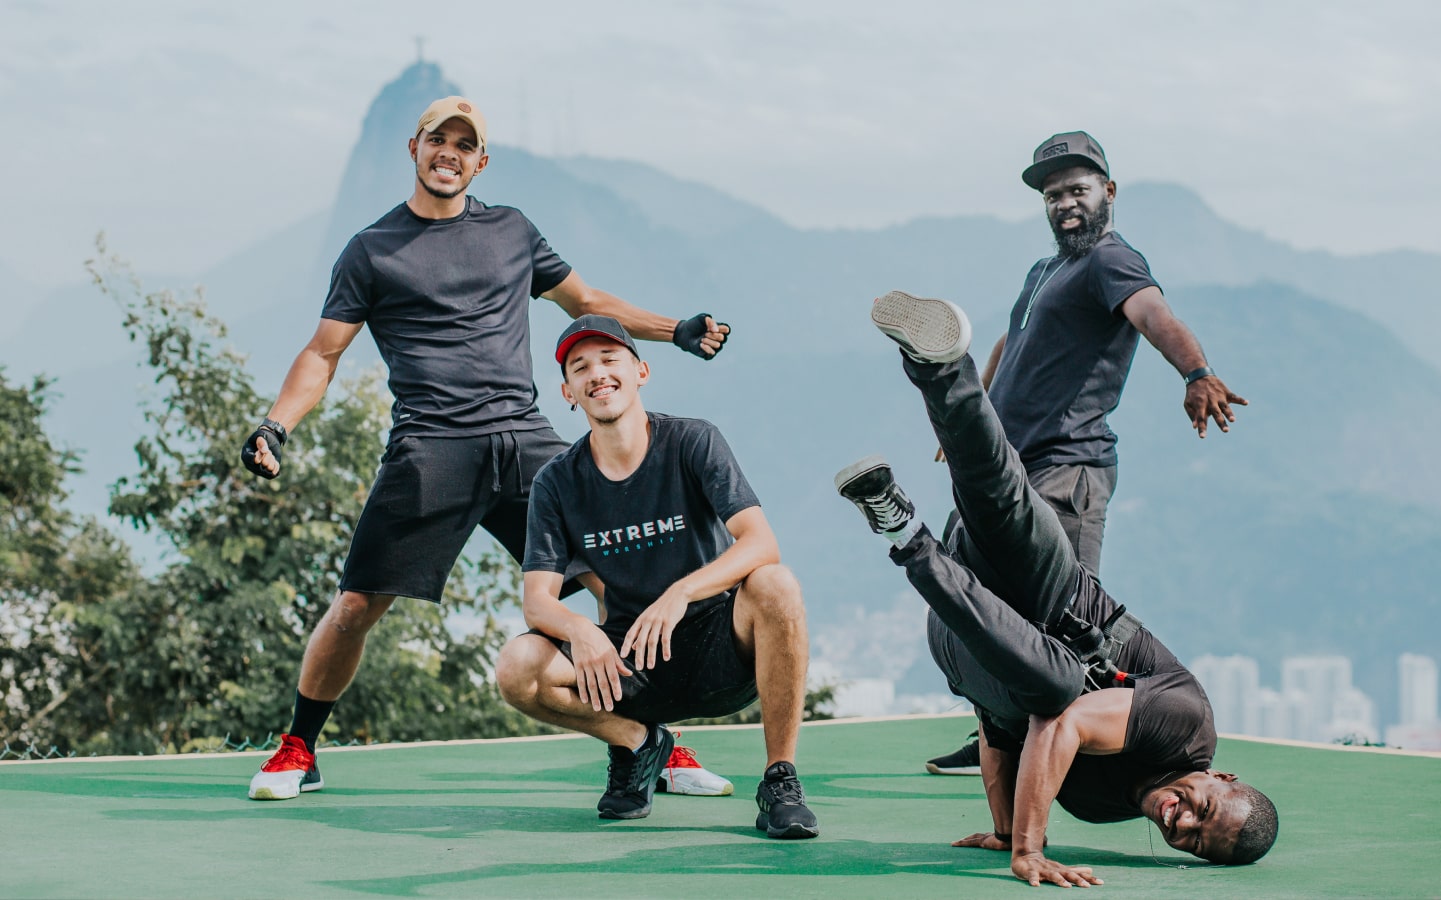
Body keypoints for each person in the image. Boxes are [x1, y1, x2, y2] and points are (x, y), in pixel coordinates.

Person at [242, 96, 732, 801]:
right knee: (354, 607)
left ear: (481, 162)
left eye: (464, 144)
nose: (449, 151)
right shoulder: (371, 250)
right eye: (437, 138)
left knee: (611, 582)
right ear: (414, 148)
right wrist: (275, 426)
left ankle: (657, 740)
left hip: (526, 442)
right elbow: (323, 353)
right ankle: (299, 749)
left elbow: (585, 300)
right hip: (430, 447)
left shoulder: (512, 230)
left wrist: (673, 329)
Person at [839, 291, 1277, 886]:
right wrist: (1026, 849)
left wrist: (1005, 828)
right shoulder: (1185, 725)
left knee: (1053, 690)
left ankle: (907, 535)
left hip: (968, 642)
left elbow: (1003, 731)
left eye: (1194, 843)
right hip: (1051, 597)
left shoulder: (1103, 807)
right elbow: (1056, 727)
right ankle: (938, 365)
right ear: (1220, 778)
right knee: (994, 486)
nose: (1181, 823)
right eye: (1203, 811)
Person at [925, 130, 1248, 777]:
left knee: (1065, 616)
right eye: (1052, 195)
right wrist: (970, 416)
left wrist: (1196, 373)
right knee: (988, 602)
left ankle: (1098, 740)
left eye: (1076, 190)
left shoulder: (1111, 261)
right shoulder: (1045, 270)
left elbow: (1154, 315)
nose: (1064, 204)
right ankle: (997, 730)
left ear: (1108, 191)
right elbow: (1009, 344)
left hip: (1065, 469)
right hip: (1009, 468)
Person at [495, 315, 818, 838]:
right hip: (629, 662)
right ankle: (638, 744)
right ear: (568, 392)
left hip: (720, 650)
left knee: (776, 583)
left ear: (641, 372)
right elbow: (538, 601)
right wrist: (581, 631)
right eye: (581, 368)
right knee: (517, 666)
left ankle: (780, 781)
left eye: (610, 360)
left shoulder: (693, 440)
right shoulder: (556, 481)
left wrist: (681, 592)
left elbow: (761, 542)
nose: (597, 374)